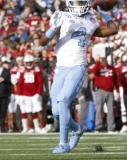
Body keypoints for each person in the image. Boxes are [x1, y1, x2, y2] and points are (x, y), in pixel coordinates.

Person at [40, 0, 118, 153]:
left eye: (82, 1)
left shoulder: (91, 19)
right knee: (56, 111)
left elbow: (113, 30)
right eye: (77, 1)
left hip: (77, 67)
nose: (80, 4)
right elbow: (43, 42)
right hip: (60, 68)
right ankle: (77, 129)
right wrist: (52, 28)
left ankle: (63, 143)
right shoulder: (61, 16)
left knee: (62, 102)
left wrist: (106, 15)